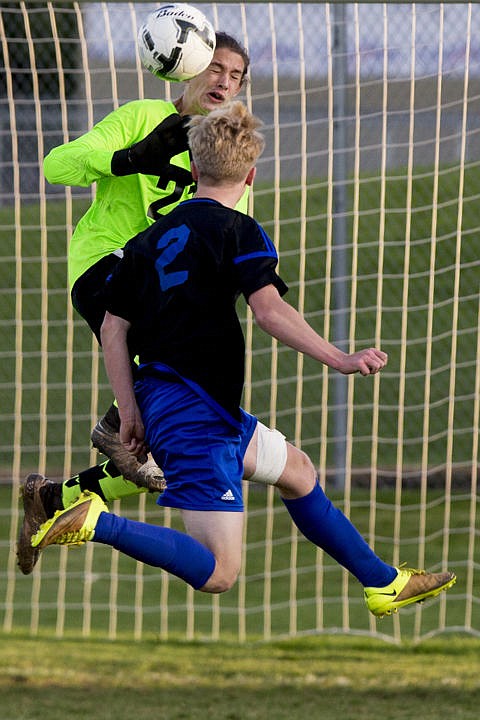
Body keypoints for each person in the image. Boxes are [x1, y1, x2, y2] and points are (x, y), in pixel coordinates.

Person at [31, 101, 456, 618]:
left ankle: (382, 583)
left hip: (183, 402)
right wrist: (339, 358)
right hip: (196, 413)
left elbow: (114, 331)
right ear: (251, 174)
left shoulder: (144, 241)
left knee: (298, 470)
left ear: (190, 166)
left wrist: (132, 410)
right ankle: (96, 521)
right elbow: (270, 312)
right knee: (219, 572)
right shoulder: (239, 231)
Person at [17, 31, 252, 575]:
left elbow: (232, 243)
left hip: (160, 297)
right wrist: (128, 160)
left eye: (236, 75)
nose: (224, 80)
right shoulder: (143, 114)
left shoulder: (224, 153)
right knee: (154, 401)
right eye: (215, 67)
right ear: (186, 66)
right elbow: (58, 166)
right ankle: (113, 422)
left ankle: (51, 499)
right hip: (106, 265)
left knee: (164, 439)